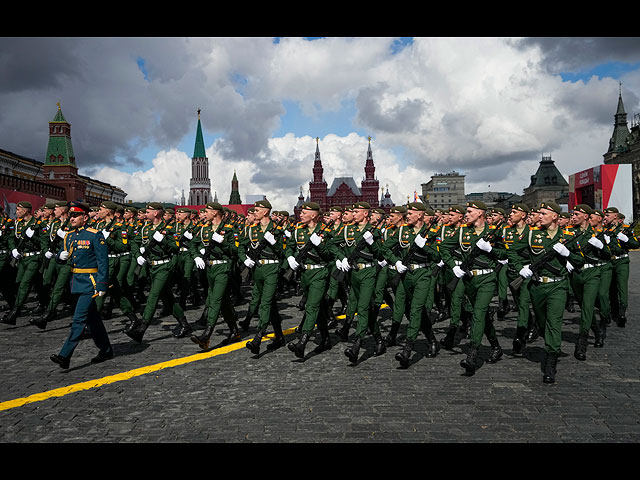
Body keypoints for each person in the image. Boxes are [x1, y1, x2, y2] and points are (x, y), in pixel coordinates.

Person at [510, 201, 584, 383]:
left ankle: (551, 360)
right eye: (539, 213)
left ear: (555, 216)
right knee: (543, 323)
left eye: (543, 213)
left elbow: (580, 261)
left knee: (554, 321)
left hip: (557, 286)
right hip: (537, 287)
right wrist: (521, 268)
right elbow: (512, 252)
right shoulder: (531, 235)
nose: (539, 216)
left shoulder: (567, 236)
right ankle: (548, 338)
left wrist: (567, 254)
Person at [440, 201, 507, 375]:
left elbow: (505, 255)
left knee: (478, 314)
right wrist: (453, 265)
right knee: (481, 315)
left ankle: (472, 354)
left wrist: (490, 249)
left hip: (487, 278)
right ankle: (496, 346)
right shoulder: (463, 231)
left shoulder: (493, 233)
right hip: (469, 279)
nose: (466, 214)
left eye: (470, 211)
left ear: (480, 213)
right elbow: (444, 248)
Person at [50, 202, 113, 369]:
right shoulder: (70, 236)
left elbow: (103, 262)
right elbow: (67, 257)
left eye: (75, 215)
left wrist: (101, 284)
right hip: (76, 281)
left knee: (78, 319)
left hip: (90, 283)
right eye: (70, 215)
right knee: (93, 320)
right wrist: (59, 257)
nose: (72, 218)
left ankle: (65, 355)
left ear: (85, 218)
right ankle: (106, 349)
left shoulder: (94, 235)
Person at [382, 202, 441, 368]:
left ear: (421, 215)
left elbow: (437, 257)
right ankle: (433, 341)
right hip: (406, 274)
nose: (407, 215)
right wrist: (396, 261)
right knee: (414, 310)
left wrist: (426, 248)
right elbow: (384, 249)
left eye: (411, 213)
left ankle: (408, 349)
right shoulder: (402, 231)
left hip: (423, 274)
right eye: (407, 213)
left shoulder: (432, 232)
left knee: (416, 309)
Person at [125, 202, 193, 343]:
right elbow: (134, 242)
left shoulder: (169, 228)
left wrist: (163, 241)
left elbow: (175, 248)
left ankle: (141, 330)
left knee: (153, 296)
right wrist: (138, 254)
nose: (145, 213)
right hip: (152, 267)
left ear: (156, 213)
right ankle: (185, 325)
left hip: (164, 266)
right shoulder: (146, 228)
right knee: (168, 298)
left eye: (148, 211)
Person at [330, 201, 386, 363]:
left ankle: (357, 344)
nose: (353, 214)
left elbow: (380, 254)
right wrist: (342, 258)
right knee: (362, 308)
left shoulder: (373, 232)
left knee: (362, 308)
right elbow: (332, 245)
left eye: (357, 211)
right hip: (353, 273)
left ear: (366, 214)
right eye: (353, 211)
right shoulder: (348, 229)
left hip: (369, 272)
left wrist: (372, 243)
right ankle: (379, 340)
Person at [286, 202, 334, 358]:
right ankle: (326, 339)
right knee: (318, 308)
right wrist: (290, 257)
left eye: (304, 212)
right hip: (305, 274)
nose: (301, 214)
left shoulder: (326, 232)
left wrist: (320, 245)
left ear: (313, 215)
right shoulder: (299, 230)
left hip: (319, 273)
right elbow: (290, 247)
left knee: (311, 306)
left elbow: (329, 255)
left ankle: (302, 342)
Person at [189, 202, 241, 349]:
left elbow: (236, 251)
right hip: (209, 268)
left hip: (223, 268)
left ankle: (206, 335)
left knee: (214, 300)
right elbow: (193, 244)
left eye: (207, 211)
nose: (204, 213)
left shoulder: (229, 229)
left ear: (216, 213)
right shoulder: (204, 229)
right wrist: (196, 256)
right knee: (223, 301)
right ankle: (234, 331)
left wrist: (223, 242)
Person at [240, 200, 287, 354]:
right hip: (258, 270)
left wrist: (274, 243)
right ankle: (279, 336)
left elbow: (283, 253)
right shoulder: (253, 230)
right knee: (270, 304)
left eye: (257, 209)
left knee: (265, 303)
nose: (255, 212)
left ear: (266, 212)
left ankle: (258, 337)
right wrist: (244, 258)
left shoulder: (276, 230)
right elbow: (240, 245)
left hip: (272, 268)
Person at [568, 204, 609, 360]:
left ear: (585, 216)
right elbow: (569, 250)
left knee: (587, 305)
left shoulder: (598, 233)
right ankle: (597, 332)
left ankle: (582, 340)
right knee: (585, 306)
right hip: (576, 274)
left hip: (592, 272)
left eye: (577, 213)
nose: (574, 216)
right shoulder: (571, 232)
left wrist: (602, 246)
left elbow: (608, 254)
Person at [2, 201, 46, 325]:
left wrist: (33, 237)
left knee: (25, 284)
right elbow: (11, 237)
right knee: (32, 284)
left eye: (18, 210)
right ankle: (46, 305)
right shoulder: (18, 223)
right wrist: (13, 249)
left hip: (34, 258)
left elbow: (43, 242)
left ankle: (14, 313)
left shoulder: (38, 224)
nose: (16, 212)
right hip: (22, 259)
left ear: (25, 210)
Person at [603, 207, 639, 328]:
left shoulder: (626, 229)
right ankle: (613, 311)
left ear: (615, 216)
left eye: (608, 215)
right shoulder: (604, 230)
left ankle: (622, 312)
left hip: (621, 261)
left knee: (621, 286)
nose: (605, 217)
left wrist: (626, 239)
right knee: (610, 287)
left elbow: (635, 244)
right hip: (608, 261)